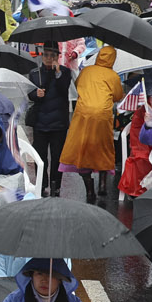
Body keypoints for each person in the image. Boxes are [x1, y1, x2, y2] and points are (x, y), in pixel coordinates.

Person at [60, 46, 122, 201]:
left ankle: (89, 188)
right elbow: (118, 96)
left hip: (83, 115)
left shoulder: (86, 71)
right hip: (103, 116)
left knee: (83, 149)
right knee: (103, 147)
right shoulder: (113, 75)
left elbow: (78, 86)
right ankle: (102, 183)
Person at [26, 46, 72, 198]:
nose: (48, 58)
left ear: (58, 56)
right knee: (40, 156)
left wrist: (57, 73)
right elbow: (29, 93)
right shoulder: (34, 73)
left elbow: (63, 89)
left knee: (57, 156)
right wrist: (35, 94)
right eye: (45, 55)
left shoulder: (65, 72)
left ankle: (55, 184)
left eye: (52, 55)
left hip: (59, 123)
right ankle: (42, 182)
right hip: (40, 122)